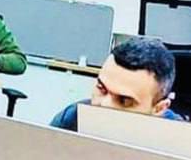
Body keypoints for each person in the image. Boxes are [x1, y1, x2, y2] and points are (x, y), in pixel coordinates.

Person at [50, 37, 181, 131]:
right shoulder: (74, 118)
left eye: (124, 101)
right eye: (102, 89)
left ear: (159, 109)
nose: (104, 105)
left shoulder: (181, 143)